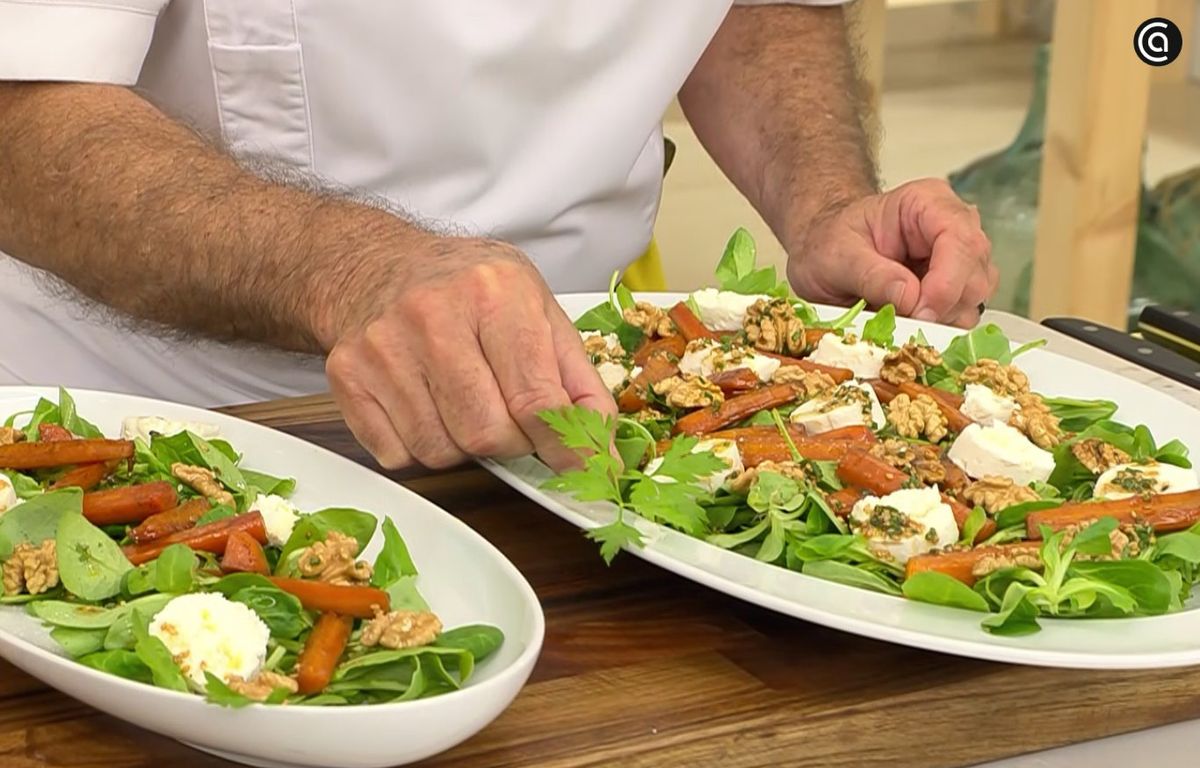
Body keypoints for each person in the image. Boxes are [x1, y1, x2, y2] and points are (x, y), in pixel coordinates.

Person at [0, 1, 997, 472]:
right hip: (152, 425)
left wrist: (823, 200)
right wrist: (351, 271)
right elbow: (22, 103)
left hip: (585, 429)